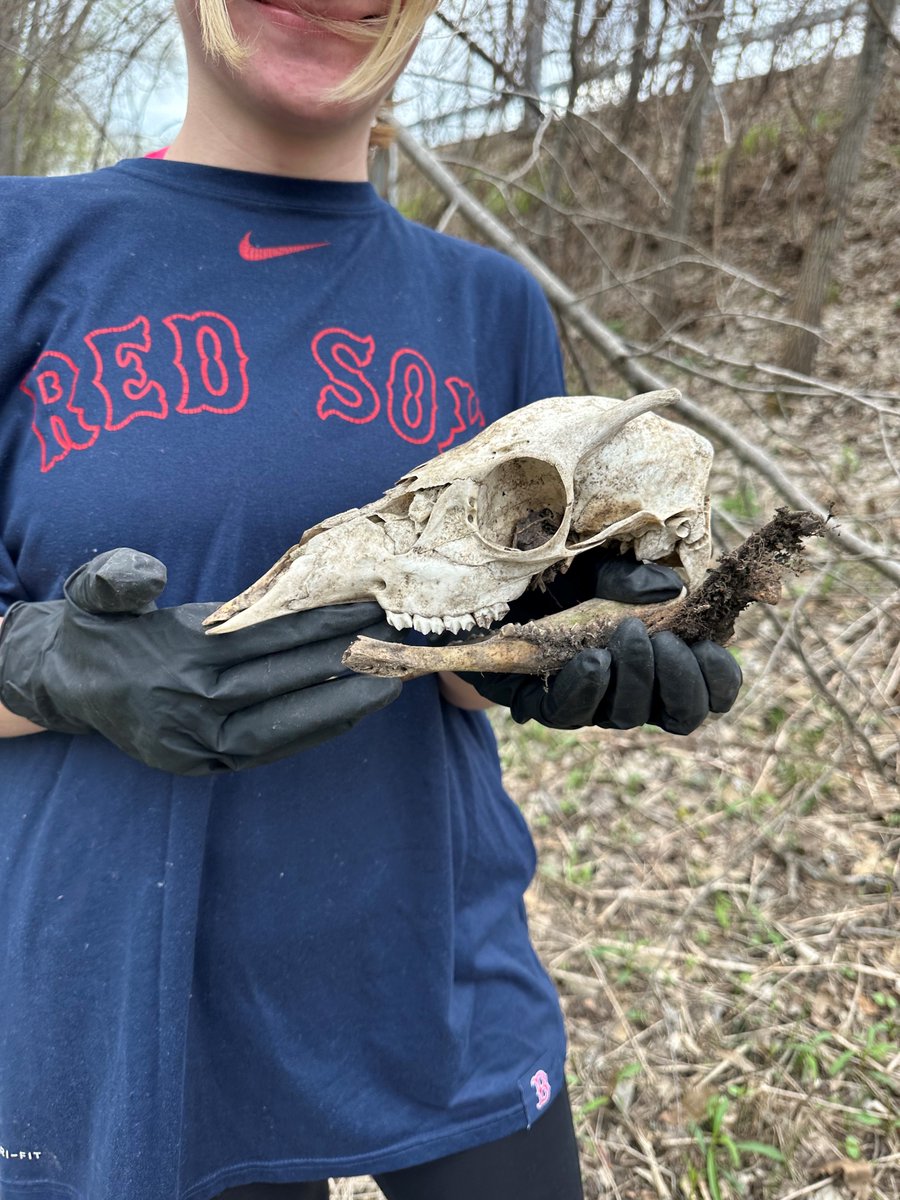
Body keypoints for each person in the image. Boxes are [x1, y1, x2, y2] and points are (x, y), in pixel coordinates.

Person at [0, 2, 742, 1197]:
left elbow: (461, 664)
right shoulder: (19, 243)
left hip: (437, 983)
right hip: (116, 999)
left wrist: (558, 646)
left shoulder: (489, 303)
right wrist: (50, 665)